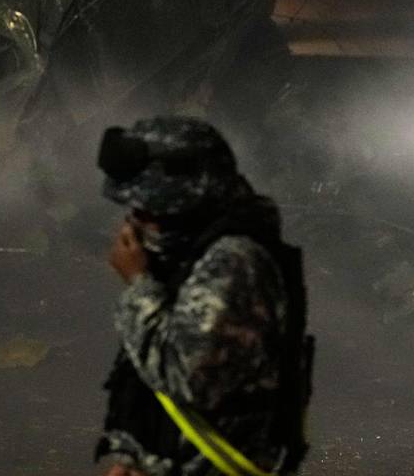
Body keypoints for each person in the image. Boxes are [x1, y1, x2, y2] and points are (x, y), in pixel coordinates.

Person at [95, 117, 312, 476]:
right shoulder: (196, 254)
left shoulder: (233, 264)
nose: (135, 223)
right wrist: (135, 457)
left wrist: (138, 285)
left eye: (147, 211)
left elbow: (188, 379)